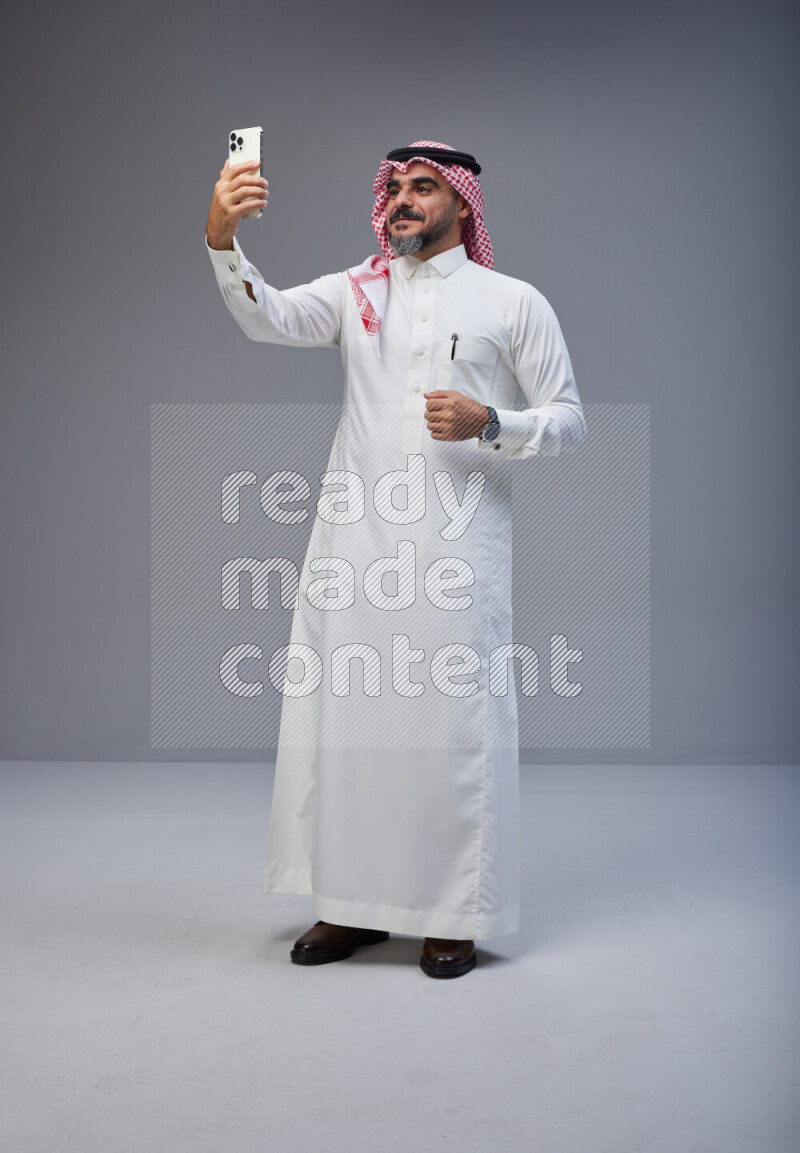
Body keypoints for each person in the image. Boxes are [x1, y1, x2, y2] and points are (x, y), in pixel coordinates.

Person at [205, 140, 586, 979]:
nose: (404, 200)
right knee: (349, 727)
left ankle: (453, 914)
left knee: (448, 731)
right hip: (355, 550)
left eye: (424, 187)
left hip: (457, 552)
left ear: (464, 204)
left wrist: (494, 421)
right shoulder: (358, 290)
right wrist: (223, 243)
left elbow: (569, 418)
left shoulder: (512, 301)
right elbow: (269, 316)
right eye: (397, 187)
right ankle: (348, 905)